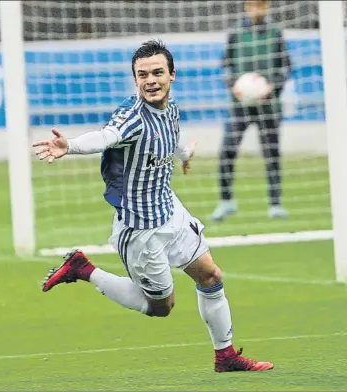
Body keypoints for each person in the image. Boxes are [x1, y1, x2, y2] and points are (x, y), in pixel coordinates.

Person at [33, 39, 274, 372]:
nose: (150, 80)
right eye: (142, 74)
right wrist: (70, 146)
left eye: (157, 72)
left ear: (171, 75)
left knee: (210, 275)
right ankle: (83, 269)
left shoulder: (171, 108)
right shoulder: (132, 116)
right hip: (140, 229)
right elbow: (106, 136)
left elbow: (170, 137)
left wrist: (185, 155)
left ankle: (226, 356)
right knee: (162, 307)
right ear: (135, 80)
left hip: (169, 209)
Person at [210, 0, 292, 222]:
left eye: (261, 5)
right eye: (253, 5)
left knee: (272, 154)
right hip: (240, 106)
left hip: (268, 105)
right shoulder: (236, 32)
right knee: (227, 151)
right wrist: (234, 85)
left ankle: (275, 204)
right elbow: (226, 64)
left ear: (266, 7)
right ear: (247, 7)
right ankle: (226, 202)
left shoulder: (275, 33)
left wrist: (271, 87)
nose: (257, 10)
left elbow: (286, 67)